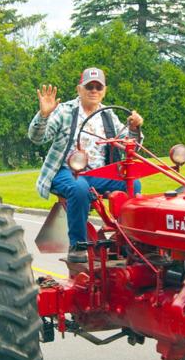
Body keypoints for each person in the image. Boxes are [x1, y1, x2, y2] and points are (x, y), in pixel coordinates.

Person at [28, 67, 144, 263]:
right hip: (66, 171)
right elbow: (37, 138)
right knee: (79, 188)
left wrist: (134, 129)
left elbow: (131, 148)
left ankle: (128, 240)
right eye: (89, 86)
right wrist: (43, 115)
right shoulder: (65, 111)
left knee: (133, 183)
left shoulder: (108, 115)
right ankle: (78, 246)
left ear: (104, 90)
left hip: (100, 173)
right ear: (79, 89)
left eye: (98, 87)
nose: (94, 91)